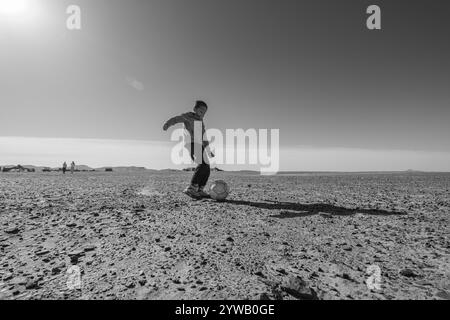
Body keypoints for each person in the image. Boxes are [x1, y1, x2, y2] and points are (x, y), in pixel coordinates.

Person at [163, 100, 214, 199]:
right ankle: (191, 188)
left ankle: (199, 189)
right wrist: (167, 124)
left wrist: (208, 150)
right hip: (191, 143)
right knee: (202, 163)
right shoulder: (188, 116)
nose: (202, 114)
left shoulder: (201, 122)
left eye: (204, 112)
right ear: (195, 109)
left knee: (207, 167)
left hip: (199, 144)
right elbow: (176, 119)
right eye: (201, 111)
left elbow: (204, 137)